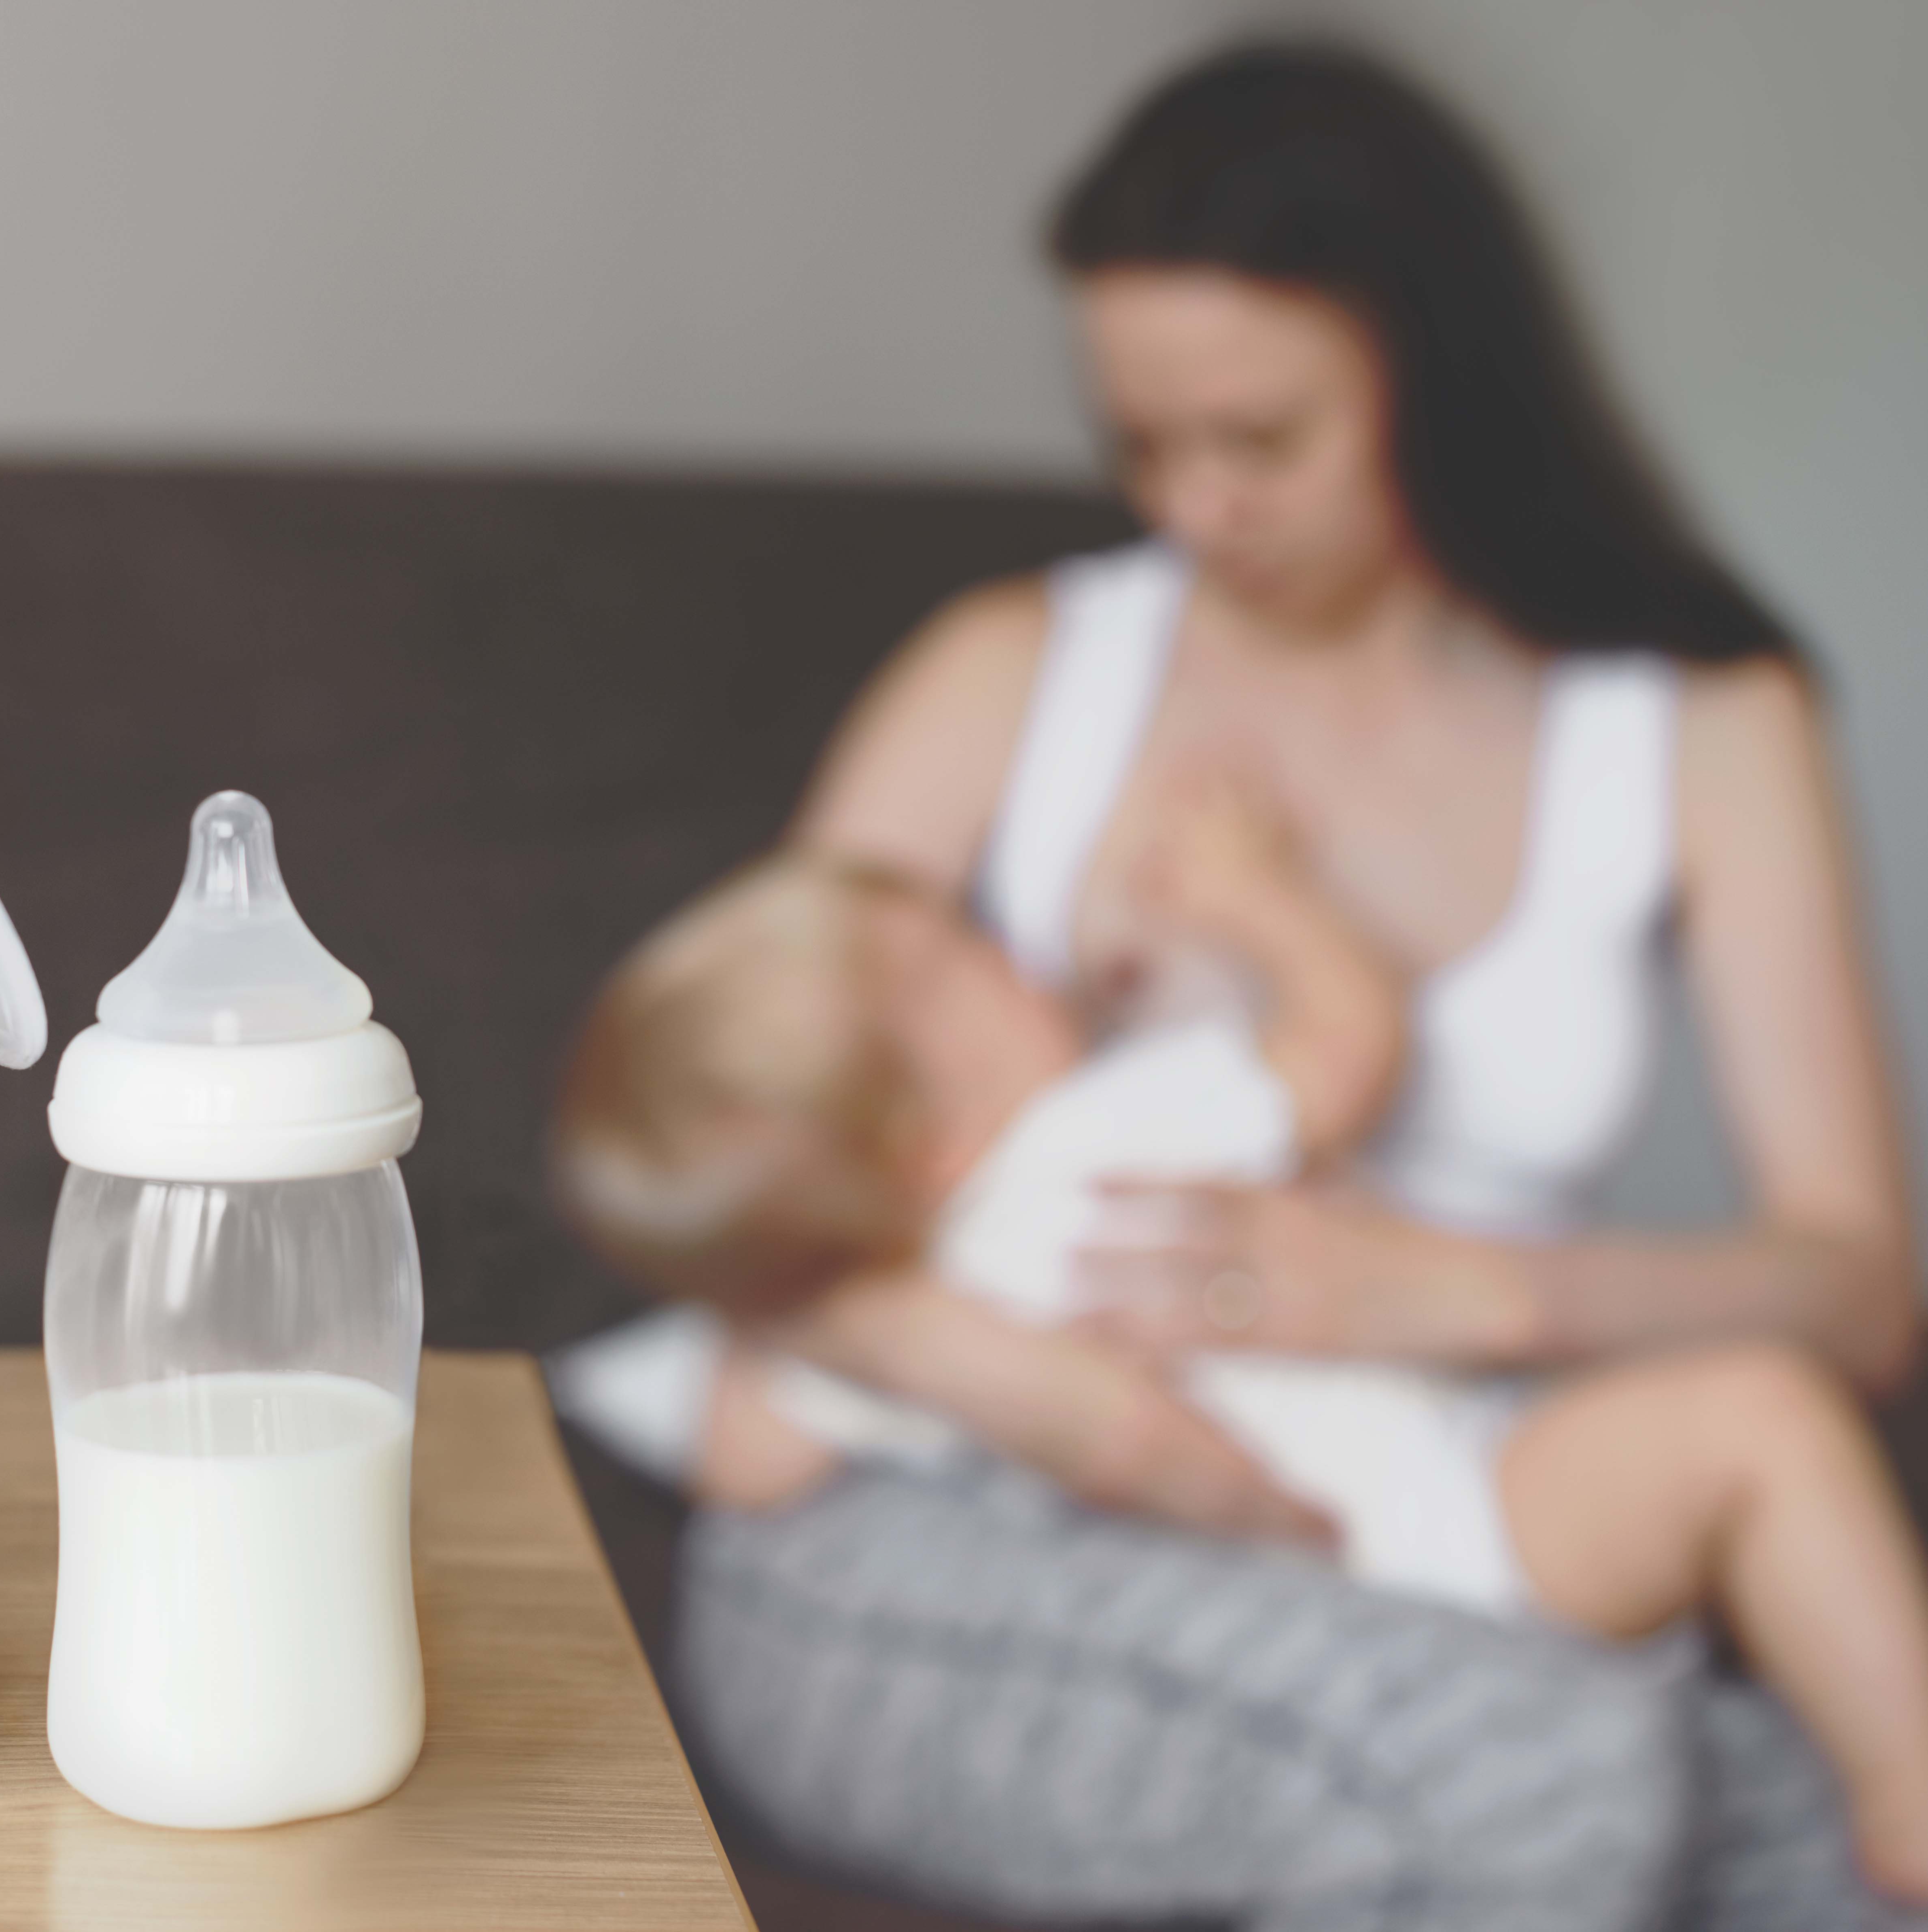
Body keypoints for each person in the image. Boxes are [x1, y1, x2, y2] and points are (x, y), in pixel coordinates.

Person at [554, 40, 1919, 1932]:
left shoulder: (1699, 722)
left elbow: (1857, 1295)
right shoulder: (1011, 666)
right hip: (973, 1501)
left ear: (1438, 383)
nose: (1196, 507)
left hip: (1423, 1464)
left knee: (1800, 1843)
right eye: (1141, 446)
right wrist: (1039, 1393)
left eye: (1260, 441)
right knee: (1569, 1775)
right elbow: (739, 1140)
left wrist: (1469, 1291)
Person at [552, 830, 1928, 1899]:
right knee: (1759, 1421)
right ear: (936, 1109)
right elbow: (1346, 1051)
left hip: (1298, 1597)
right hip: (1450, 1520)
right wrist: (1252, 896)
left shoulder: (914, 1309)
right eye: (969, 953)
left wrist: (804, 1283)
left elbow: (743, 1457)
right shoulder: (1108, 1138)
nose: (1015, 960)